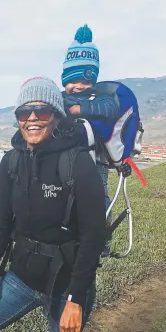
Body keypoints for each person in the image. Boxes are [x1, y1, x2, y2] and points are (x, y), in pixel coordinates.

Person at [0, 77, 106, 332]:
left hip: (67, 284)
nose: (33, 119)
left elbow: (93, 236)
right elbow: (0, 223)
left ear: (56, 115)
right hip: (21, 277)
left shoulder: (79, 162)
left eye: (42, 111)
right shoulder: (11, 161)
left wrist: (75, 299)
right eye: (24, 113)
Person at [61, 24, 120, 257]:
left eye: (85, 82)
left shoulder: (102, 98)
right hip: (68, 161)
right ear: (64, 77)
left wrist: (80, 108)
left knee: (99, 199)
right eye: (73, 80)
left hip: (96, 162)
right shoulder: (59, 98)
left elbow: (111, 108)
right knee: (68, 199)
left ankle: (102, 240)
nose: (79, 86)